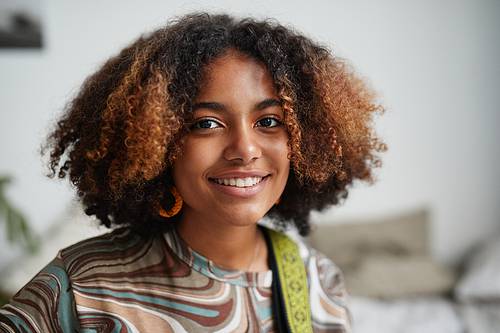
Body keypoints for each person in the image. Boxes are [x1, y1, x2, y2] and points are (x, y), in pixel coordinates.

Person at [0, 12, 385, 333]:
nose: (246, 150)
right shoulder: (80, 287)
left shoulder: (318, 282)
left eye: (269, 120)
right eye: (205, 124)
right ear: (155, 143)